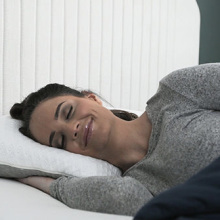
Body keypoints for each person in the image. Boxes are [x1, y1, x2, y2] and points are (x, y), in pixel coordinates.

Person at [10, 63, 220, 216]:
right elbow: (121, 197)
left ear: (91, 97)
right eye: (60, 141)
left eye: (68, 112)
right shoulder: (138, 185)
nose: (72, 129)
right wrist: (41, 182)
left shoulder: (175, 93)